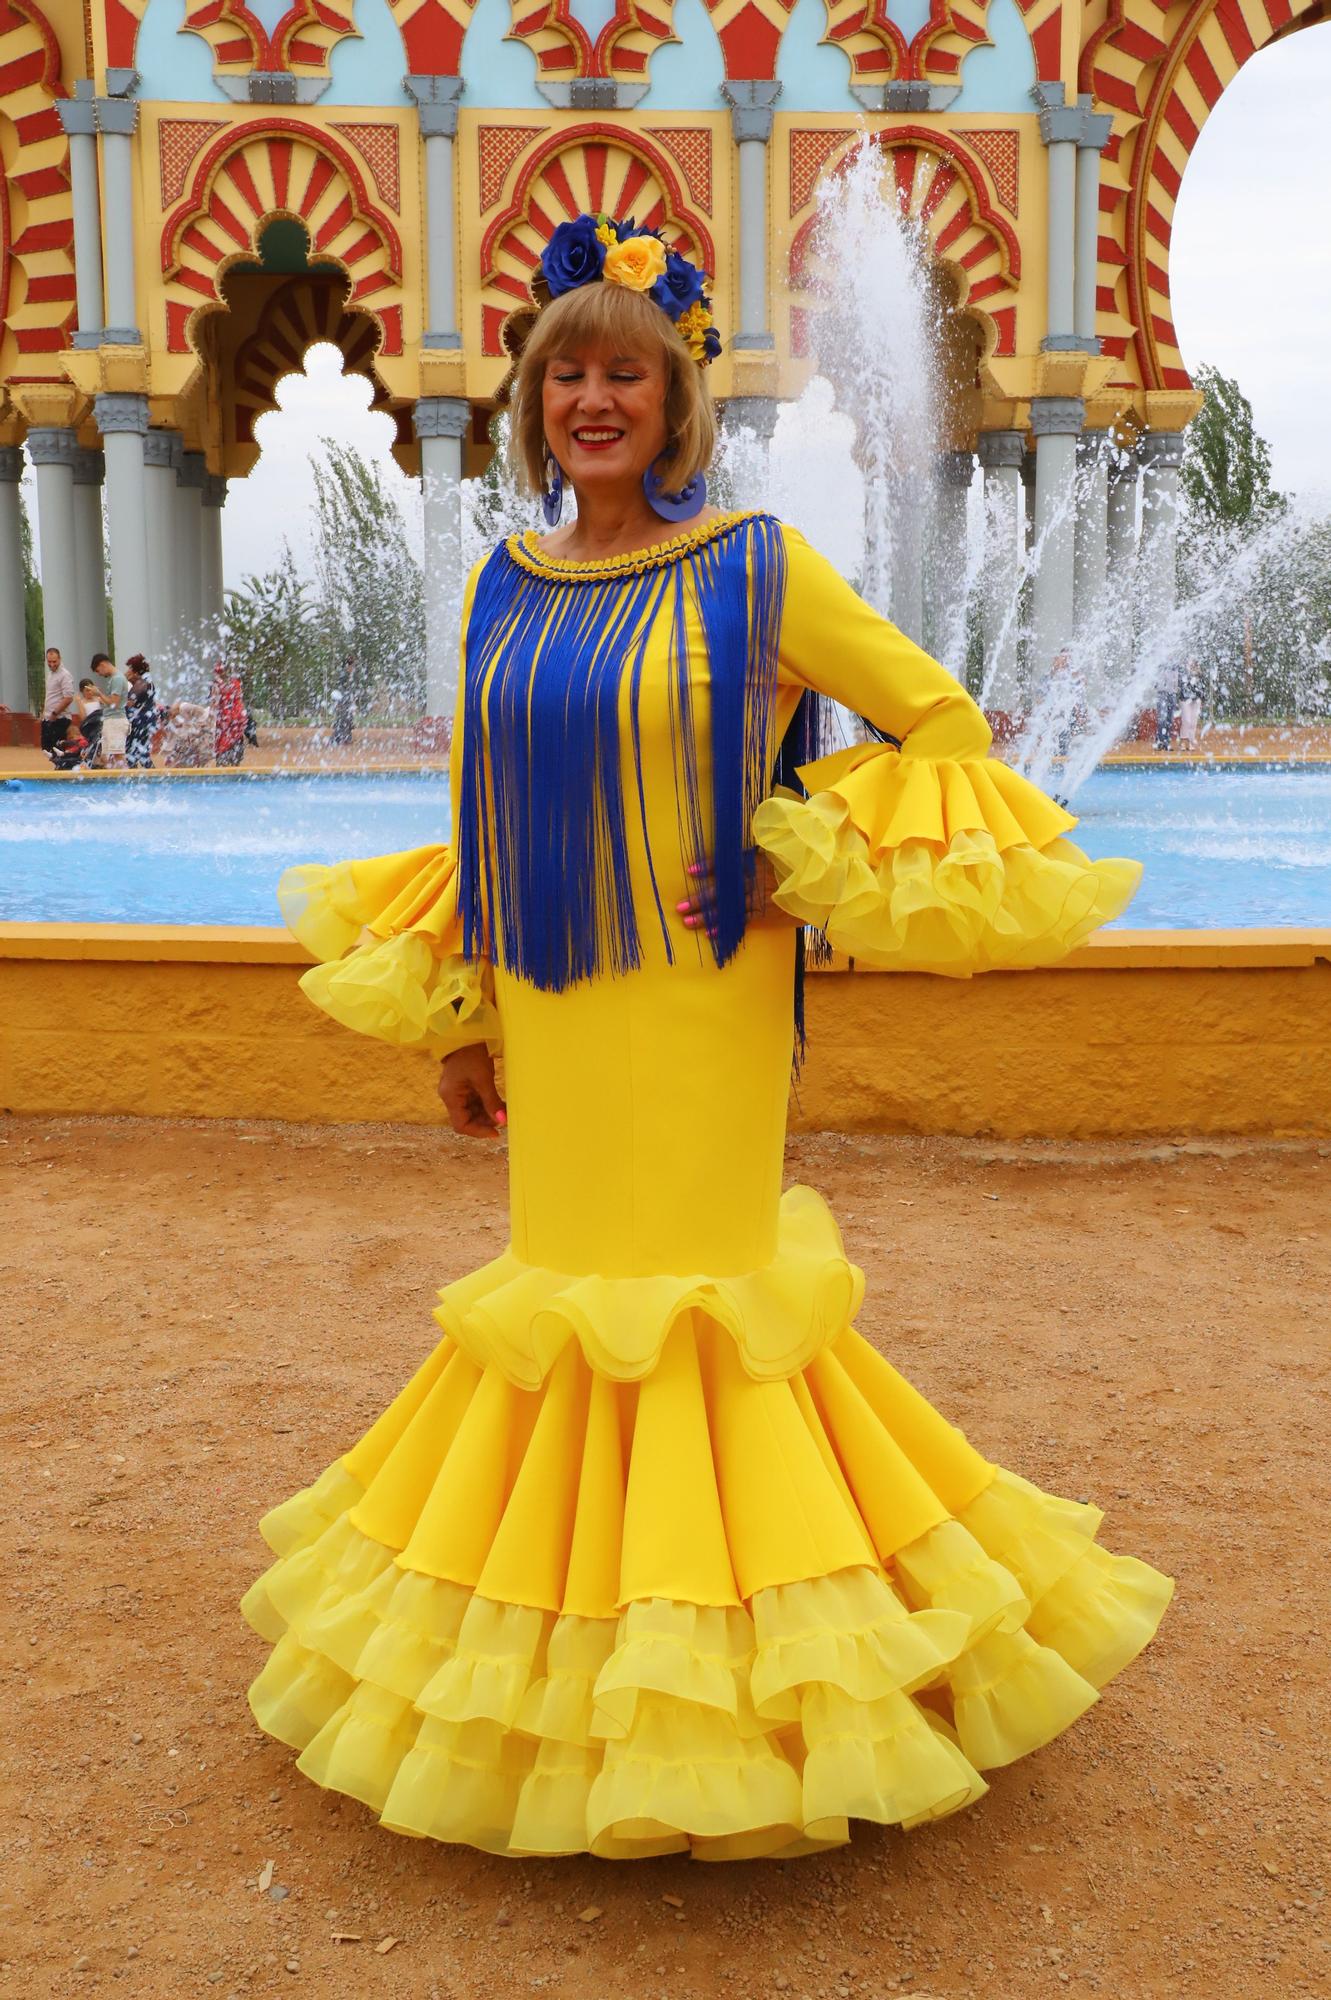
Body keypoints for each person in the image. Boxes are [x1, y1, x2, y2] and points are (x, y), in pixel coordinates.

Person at [242, 213, 1172, 1862]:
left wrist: (787, 845)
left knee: (698, 1308)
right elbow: (478, 805)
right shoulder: (499, 583)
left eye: (629, 374)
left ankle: (767, 1683)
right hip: (552, 993)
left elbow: (937, 714)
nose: (595, 400)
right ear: (534, 401)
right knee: (565, 1305)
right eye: (569, 374)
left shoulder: (754, 562)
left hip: (699, 993)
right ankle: (575, 1667)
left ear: (676, 404)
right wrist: (458, 1026)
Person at [91, 651, 131, 766]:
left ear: (102, 664)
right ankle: (120, 780)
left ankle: (126, 780)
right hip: (112, 720)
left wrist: (99, 694)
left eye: (98, 671)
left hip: (115, 721)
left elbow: (114, 703)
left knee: (118, 757)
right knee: (106, 758)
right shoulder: (115, 678)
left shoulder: (117, 679)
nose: (99, 674)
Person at [124, 655, 159, 769]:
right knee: (134, 750)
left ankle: (153, 777)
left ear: (135, 669)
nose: (128, 670)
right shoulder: (145, 681)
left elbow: (130, 702)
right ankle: (135, 776)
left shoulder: (143, 682)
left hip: (141, 721)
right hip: (144, 720)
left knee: (138, 751)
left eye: (130, 668)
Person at [41, 647, 76, 753]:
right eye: (49, 662)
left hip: (60, 719)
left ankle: (62, 767)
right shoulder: (50, 675)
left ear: (60, 659)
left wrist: (55, 713)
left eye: (54, 661)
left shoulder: (65, 675)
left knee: (59, 749)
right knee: (47, 749)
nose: (52, 664)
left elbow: (68, 698)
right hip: (48, 718)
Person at [212, 660, 247, 767]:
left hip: (231, 717)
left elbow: (215, 702)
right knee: (229, 739)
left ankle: (229, 760)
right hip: (231, 717)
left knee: (229, 739)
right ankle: (229, 760)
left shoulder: (224, 684)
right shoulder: (232, 683)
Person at [1178, 660, 1205, 752]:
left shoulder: (1199, 674)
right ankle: (1182, 742)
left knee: (1193, 722)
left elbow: (1202, 687)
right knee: (1186, 721)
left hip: (1196, 700)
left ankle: (1190, 742)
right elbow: (1182, 684)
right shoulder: (1184, 672)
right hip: (1185, 699)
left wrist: (1202, 699)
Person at [76, 679, 105, 764]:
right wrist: (79, 703)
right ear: (82, 691)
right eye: (87, 690)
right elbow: (83, 718)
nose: (89, 692)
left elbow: (109, 705)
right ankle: (94, 762)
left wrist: (99, 692)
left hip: (100, 725)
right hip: (90, 727)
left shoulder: (98, 699)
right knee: (93, 745)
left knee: (101, 746)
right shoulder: (82, 702)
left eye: (91, 690)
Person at [330, 657, 356, 747]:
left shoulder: (348, 675)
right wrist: (339, 702)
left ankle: (346, 738)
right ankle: (336, 739)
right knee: (342, 720)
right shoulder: (343, 674)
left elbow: (348, 689)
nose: (353, 668)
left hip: (346, 700)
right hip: (342, 701)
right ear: (349, 666)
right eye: (353, 666)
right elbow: (340, 688)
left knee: (348, 719)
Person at [1154, 661, 1180, 752]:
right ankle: (1162, 741)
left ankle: (1163, 740)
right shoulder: (1159, 660)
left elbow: (1176, 678)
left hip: (1172, 694)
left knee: (1170, 719)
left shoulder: (1175, 663)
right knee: (1162, 718)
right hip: (1162, 693)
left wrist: (1175, 691)